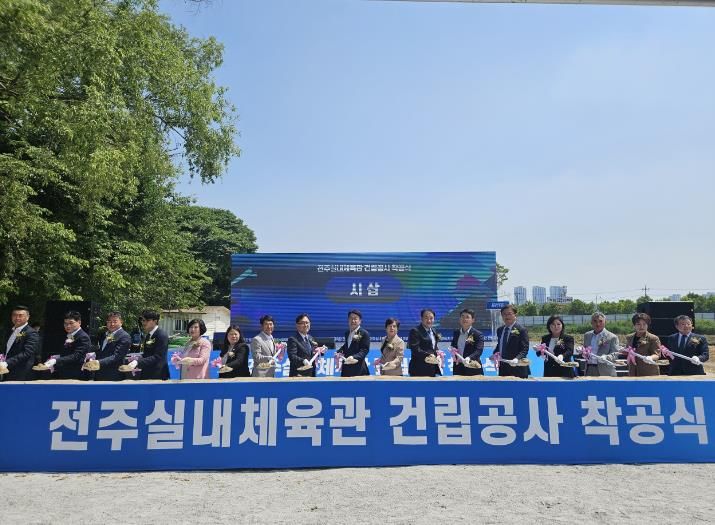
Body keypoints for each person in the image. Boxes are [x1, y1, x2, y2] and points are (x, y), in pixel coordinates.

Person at [35, 310, 90, 380]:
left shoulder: (83, 337)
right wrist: (55, 357)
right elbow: (67, 353)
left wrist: (56, 360)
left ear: (79, 322)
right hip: (64, 373)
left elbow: (76, 356)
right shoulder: (69, 335)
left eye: (71, 323)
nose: (68, 326)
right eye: (65, 323)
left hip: (76, 375)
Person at [82, 311, 131, 381]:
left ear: (121, 322)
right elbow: (103, 351)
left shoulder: (124, 336)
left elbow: (117, 356)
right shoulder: (105, 334)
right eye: (109, 321)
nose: (112, 324)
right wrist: (93, 355)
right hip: (100, 373)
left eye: (115, 321)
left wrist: (97, 362)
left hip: (113, 375)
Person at [121, 310, 169, 380]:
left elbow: (158, 356)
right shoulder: (148, 335)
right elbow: (147, 354)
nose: (144, 322)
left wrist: (137, 362)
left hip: (158, 375)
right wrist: (137, 357)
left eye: (147, 320)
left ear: (155, 321)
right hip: (147, 373)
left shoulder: (161, 335)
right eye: (143, 320)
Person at [1, 305, 40, 381]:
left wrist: (7, 363)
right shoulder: (10, 331)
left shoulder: (31, 333)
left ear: (27, 317)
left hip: (21, 372)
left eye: (20, 315)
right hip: (6, 370)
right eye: (14, 315)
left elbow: (27, 353)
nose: (17, 318)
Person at [493, 305, 530, 378]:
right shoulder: (500, 330)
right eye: (504, 314)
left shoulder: (521, 330)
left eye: (509, 314)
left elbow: (524, 349)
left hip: (518, 367)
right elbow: (500, 345)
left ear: (515, 315)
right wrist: (495, 353)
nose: (507, 316)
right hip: (503, 367)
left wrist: (516, 359)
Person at [582, 312, 621, 377]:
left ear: (605, 322)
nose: (598, 324)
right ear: (591, 322)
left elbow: (615, 354)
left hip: (605, 371)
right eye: (595, 321)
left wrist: (606, 357)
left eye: (600, 321)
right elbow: (585, 351)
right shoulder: (587, 335)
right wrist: (582, 351)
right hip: (589, 369)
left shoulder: (612, 337)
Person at [450, 308, 484, 377]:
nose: (464, 319)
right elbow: (453, 346)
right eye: (462, 316)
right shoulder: (456, 333)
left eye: (467, 317)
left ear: (473, 320)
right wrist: (452, 349)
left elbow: (479, 350)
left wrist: (469, 358)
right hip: (458, 367)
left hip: (472, 366)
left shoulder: (477, 334)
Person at [625, 312, 661, 377]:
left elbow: (657, 354)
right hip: (633, 371)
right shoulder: (629, 337)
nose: (641, 327)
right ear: (634, 325)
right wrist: (622, 350)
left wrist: (650, 357)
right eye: (638, 324)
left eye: (644, 324)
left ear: (647, 325)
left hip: (648, 372)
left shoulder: (653, 338)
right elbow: (628, 352)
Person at [408, 309, 441, 377]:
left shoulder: (434, 331)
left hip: (432, 369)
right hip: (419, 369)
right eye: (426, 318)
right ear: (421, 318)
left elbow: (432, 347)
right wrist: (429, 355)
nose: (429, 320)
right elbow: (415, 349)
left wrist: (438, 354)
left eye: (431, 318)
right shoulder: (415, 331)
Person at [337, 310, 370, 377]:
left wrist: (353, 357)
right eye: (351, 318)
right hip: (346, 369)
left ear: (360, 321)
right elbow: (347, 346)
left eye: (355, 318)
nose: (353, 321)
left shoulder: (364, 333)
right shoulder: (347, 333)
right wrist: (339, 351)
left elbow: (364, 350)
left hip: (359, 369)